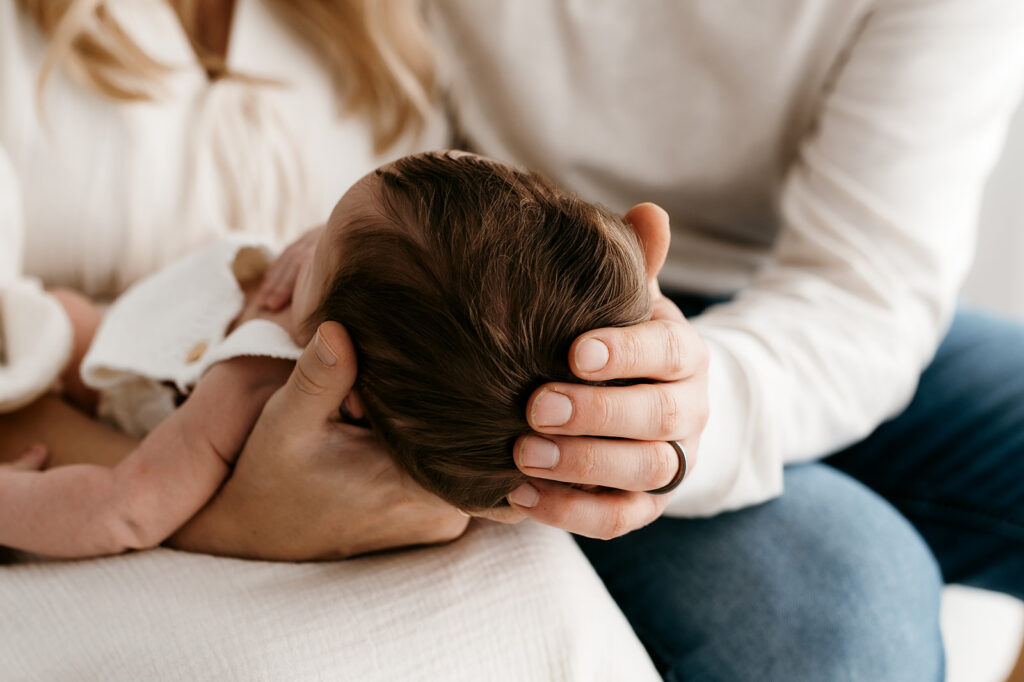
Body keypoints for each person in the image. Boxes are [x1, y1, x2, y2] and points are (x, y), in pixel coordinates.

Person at [411, 0, 1024, 679]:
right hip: (527, 316)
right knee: (845, 605)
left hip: (800, 302)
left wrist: (689, 410)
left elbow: (865, 287)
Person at [0, 151, 666, 557]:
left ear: (341, 369)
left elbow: (126, 506)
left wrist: (14, 502)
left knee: (49, 329)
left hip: (120, 369)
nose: (303, 242)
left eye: (320, 250)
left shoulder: (246, 385)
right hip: (150, 320)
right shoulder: (421, 365)